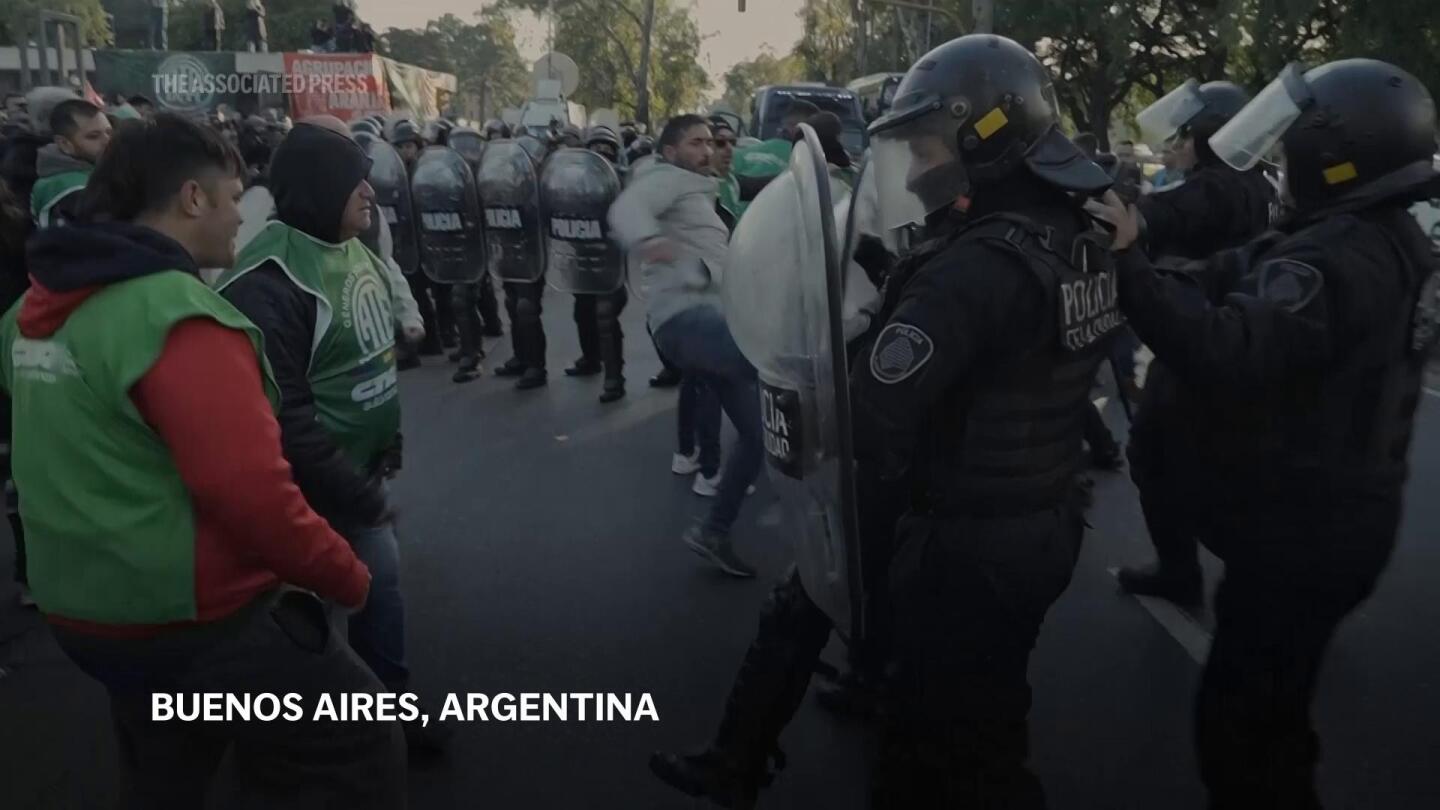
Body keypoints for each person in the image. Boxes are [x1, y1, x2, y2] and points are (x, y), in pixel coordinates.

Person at [0, 112, 405, 808]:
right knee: (353, 738)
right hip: (189, 614)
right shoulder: (182, 319)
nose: (239, 221)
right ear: (193, 199)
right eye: (231, 198)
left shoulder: (32, 313)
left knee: (168, 767)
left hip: (83, 613)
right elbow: (250, 491)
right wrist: (347, 575)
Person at [1089, 57, 1438, 809]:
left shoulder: (1338, 258)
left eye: (1289, 151)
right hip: (1348, 516)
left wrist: (1128, 268)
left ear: (1330, 157)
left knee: (1243, 739)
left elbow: (1226, 348)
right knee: (1275, 715)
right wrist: (1152, 257)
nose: (1279, 166)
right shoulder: (1386, 234)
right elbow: (1240, 266)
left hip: (1305, 537)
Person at [854, 35, 1119, 807]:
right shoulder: (1077, 235)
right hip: (1047, 515)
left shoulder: (971, 270)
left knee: (933, 751)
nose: (914, 169)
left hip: (966, 544)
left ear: (985, 135)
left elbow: (875, 413)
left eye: (927, 145)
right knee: (992, 708)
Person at [214, 122, 445, 754]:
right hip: (307, 493)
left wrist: (384, 445)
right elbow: (282, 419)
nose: (370, 192)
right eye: (354, 179)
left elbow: (368, 363)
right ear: (320, 188)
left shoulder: (354, 247)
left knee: (376, 594)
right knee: (302, 617)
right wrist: (356, 493)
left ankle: (386, 714)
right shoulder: (269, 282)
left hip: (357, 476)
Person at [1115, 79, 1276, 607]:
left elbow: (1159, 217)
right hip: (1234, 335)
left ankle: (1184, 572)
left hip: (1198, 336)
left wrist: (1115, 208)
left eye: (1187, 134)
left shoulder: (1219, 187)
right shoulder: (1256, 184)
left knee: (1153, 453)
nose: (1176, 144)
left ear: (1212, 136)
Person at [610, 114, 765, 576]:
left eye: (711, 142)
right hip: (686, 320)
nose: (708, 149)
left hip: (714, 322)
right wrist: (651, 241)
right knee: (777, 363)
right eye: (696, 143)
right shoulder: (665, 178)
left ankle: (713, 531)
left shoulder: (702, 190)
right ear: (672, 151)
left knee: (757, 435)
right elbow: (626, 210)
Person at [562, 125, 630, 402]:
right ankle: (590, 359)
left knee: (605, 316)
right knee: (583, 313)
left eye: (607, 149)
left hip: (610, 261)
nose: (602, 154)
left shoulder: (623, 180)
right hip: (582, 257)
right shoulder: (573, 181)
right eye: (596, 148)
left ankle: (614, 379)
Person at [0, 179, 31, 607]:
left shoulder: (16, 229)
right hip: (15, 352)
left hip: (14, 350)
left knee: (19, 470)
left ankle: (30, 570)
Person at [32, 99, 111, 228]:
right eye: (93, 136)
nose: (107, 141)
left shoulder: (82, 174)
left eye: (109, 132)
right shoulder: (71, 189)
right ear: (64, 144)